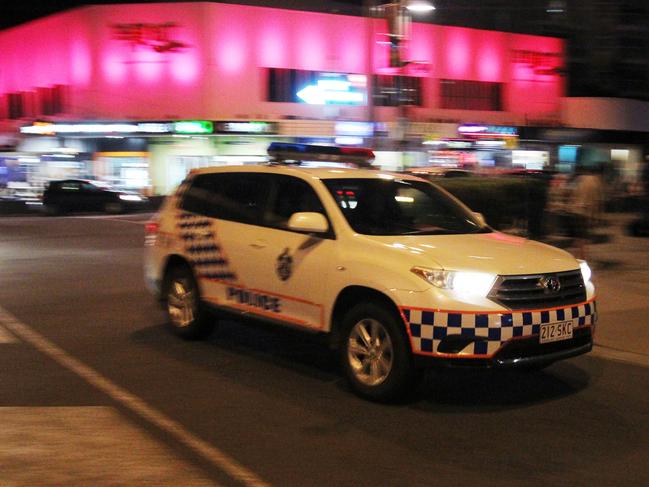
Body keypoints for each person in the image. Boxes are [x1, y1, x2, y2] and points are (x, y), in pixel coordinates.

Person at [567, 165, 604, 259]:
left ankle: (575, 257)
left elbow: (572, 194)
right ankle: (582, 259)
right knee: (583, 238)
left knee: (579, 238)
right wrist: (596, 217)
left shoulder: (580, 179)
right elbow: (597, 201)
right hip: (585, 212)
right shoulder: (596, 182)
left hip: (575, 211)